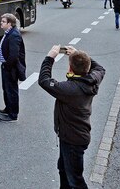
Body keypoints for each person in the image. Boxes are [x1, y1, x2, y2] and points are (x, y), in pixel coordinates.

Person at [38, 45, 105, 189]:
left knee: (76, 181)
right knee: (63, 169)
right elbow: (100, 69)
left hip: (72, 140)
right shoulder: (92, 79)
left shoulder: (71, 89)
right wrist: (78, 54)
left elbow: (44, 80)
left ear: (70, 68)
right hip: (74, 136)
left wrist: (50, 58)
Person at [0, 13, 26, 122]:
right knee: (6, 88)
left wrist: (7, 66)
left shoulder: (14, 35)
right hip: (6, 66)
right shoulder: (9, 32)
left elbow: (14, 55)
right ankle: (8, 108)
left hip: (11, 67)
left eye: (3, 21)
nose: (1, 23)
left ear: (9, 23)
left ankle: (13, 114)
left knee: (11, 90)